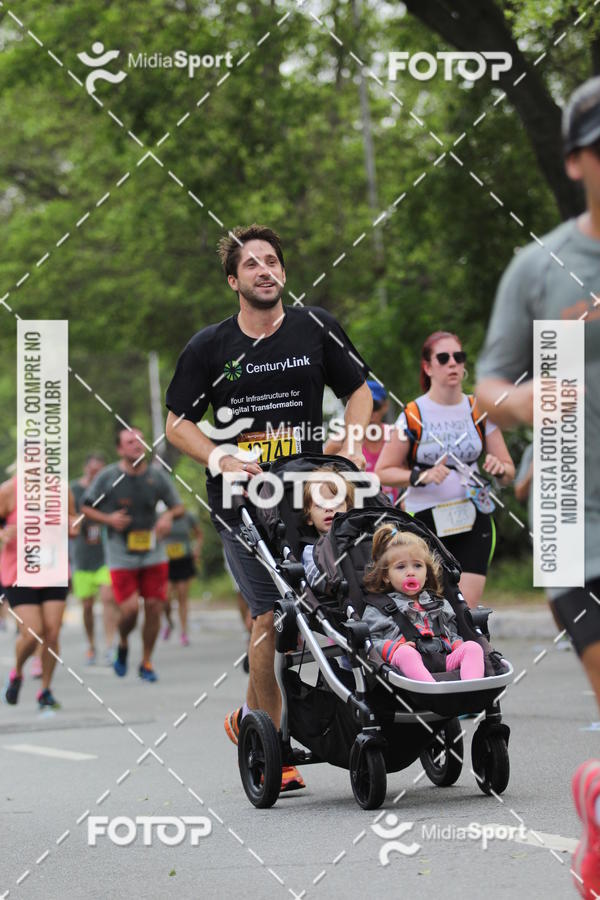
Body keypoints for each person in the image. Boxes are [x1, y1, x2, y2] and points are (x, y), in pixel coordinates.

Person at [165, 223, 372, 793]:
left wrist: (349, 444)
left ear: (283, 272)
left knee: (339, 605)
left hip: (309, 494)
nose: (265, 270)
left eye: (272, 261)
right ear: (234, 280)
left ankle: (254, 719)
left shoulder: (316, 328)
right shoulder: (210, 346)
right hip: (243, 504)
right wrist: (220, 458)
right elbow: (177, 423)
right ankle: (276, 748)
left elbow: (359, 391)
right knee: (269, 618)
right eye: (252, 264)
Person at [474, 77, 600, 900]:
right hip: (575, 517)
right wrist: (520, 401)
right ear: (577, 159)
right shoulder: (540, 264)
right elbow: (487, 379)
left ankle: (596, 797)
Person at [376, 330, 515, 609]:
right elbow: (382, 471)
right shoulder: (415, 413)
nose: (453, 363)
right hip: (425, 519)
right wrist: (420, 476)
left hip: (473, 515)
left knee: (466, 608)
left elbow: (509, 471)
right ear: (428, 367)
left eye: (458, 357)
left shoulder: (478, 409)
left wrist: (500, 469)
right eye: (444, 358)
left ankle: (471, 653)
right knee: (434, 605)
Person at [81, 429, 185, 683]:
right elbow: (85, 506)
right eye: (130, 442)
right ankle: (124, 642)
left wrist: (168, 517)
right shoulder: (108, 477)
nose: (137, 445)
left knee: (153, 606)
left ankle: (146, 661)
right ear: (120, 450)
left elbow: (178, 507)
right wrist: (108, 519)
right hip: (120, 552)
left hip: (152, 550)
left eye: (140, 441)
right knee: (129, 610)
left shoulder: (157, 477)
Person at [361, 525, 484, 681]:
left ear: (426, 573)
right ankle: (433, 693)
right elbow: (371, 642)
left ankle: (471, 691)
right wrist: (395, 648)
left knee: (472, 648)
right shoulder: (378, 608)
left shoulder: (439, 603)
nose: (411, 572)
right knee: (406, 654)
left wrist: (457, 644)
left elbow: (452, 633)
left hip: (443, 659)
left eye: (418, 566)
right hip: (404, 665)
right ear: (386, 576)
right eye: (401, 567)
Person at [0, 475, 78, 709]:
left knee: (52, 633)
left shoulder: (61, 489)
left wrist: (69, 524)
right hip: (19, 572)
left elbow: (74, 523)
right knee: (33, 632)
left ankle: (45, 690)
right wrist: (3, 534)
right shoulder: (8, 491)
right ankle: (17, 672)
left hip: (53, 569)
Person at [70, 453, 118, 665]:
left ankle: (110, 645)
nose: (96, 474)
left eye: (100, 471)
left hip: (105, 555)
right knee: (87, 606)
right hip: (82, 556)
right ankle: (91, 645)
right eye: (93, 470)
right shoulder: (74, 490)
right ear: (85, 468)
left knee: (108, 598)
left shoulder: (109, 491)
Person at [325, 379, 399, 504]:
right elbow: (318, 475)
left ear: (385, 406)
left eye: (374, 406)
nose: (370, 413)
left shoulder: (394, 436)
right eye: (364, 407)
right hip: (354, 514)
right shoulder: (339, 441)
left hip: (393, 510)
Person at [301, 469, 355, 587]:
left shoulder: (359, 540)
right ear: (309, 517)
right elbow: (315, 579)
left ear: (348, 511)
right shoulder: (311, 551)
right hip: (341, 591)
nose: (329, 508)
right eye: (320, 505)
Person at [162, 508, 203, 646]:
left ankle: (184, 632)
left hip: (184, 560)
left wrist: (196, 549)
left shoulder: (188, 516)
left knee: (182, 596)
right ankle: (169, 622)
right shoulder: (161, 516)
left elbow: (199, 534)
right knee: (165, 598)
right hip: (166, 562)